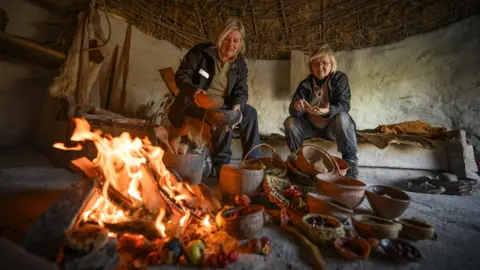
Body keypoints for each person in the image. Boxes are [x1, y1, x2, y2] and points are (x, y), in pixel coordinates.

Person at [168, 18, 261, 176]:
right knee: (222, 117)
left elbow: (241, 90)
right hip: (197, 101)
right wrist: (195, 91)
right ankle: (221, 167)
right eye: (227, 39)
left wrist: (238, 105)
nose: (231, 45)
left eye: (235, 41)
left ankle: (254, 165)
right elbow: (182, 75)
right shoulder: (201, 52)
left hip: (223, 104)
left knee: (250, 114)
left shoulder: (239, 64)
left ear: (240, 43)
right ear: (219, 38)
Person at [284, 45, 359, 178]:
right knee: (290, 122)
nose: (320, 67)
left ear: (332, 64)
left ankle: (350, 162)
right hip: (310, 127)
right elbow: (293, 111)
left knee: (343, 117)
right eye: (316, 63)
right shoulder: (305, 84)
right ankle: (299, 160)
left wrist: (328, 110)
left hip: (331, 127)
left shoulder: (339, 79)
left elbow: (344, 105)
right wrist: (297, 106)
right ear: (311, 66)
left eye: (324, 63)